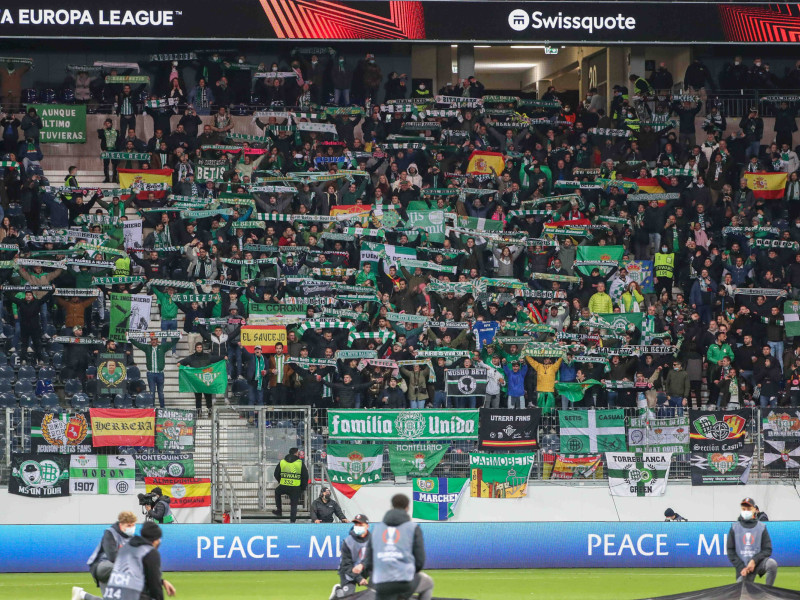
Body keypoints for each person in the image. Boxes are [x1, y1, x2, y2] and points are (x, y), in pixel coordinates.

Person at [73, 521, 176, 600]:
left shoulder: (133, 544)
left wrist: (161, 581)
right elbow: (153, 584)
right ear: (156, 539)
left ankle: (82, 595)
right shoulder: (149, 552)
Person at [354, 494, 426, 600]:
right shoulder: (413, 528)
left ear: (392, 506)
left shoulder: (377, 529)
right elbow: (420, 560)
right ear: (407, 507)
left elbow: (369, 560)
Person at [726, 497, 778, 587]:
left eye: (749, 509)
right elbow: (730, 550)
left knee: (772, 564)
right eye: (744, 509)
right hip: (743, 566)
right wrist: (741, 567)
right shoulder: (734, 527)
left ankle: (768, 592)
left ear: (754, 509)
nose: (746, 511)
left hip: (759, 563)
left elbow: (767, 549)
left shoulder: (761, 527)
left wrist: (754, 560)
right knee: (744, 593)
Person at [86, 511, 137, 592]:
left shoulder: (131, 538)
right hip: (101, 566)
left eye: (133, 525)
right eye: (128, 525)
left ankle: (82, 595)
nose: (131, 528)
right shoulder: (110, 533)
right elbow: (112, 557)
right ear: (121, 525)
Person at [331, 513, 370, 599]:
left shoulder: (373, 540)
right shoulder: (348, 542)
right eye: (356, 524)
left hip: (365, 569)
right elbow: (346, 565)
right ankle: (338, 594)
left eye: (360, 524)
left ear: (367, 526)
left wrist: (363, 566)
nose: (358, 526)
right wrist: (359, 579)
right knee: (348, 596)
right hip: (348, 572)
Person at [273, 447, 309, 523]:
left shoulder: (282, 462)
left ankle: (279, 510)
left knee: (277, 492)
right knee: (294, 505)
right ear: (296, 453)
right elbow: (305, 476)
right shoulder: (299, 463)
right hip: (295, 487)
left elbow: (276, 474)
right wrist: (302, 488)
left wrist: (281, 481)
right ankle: (292, 522)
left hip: (284, 485)